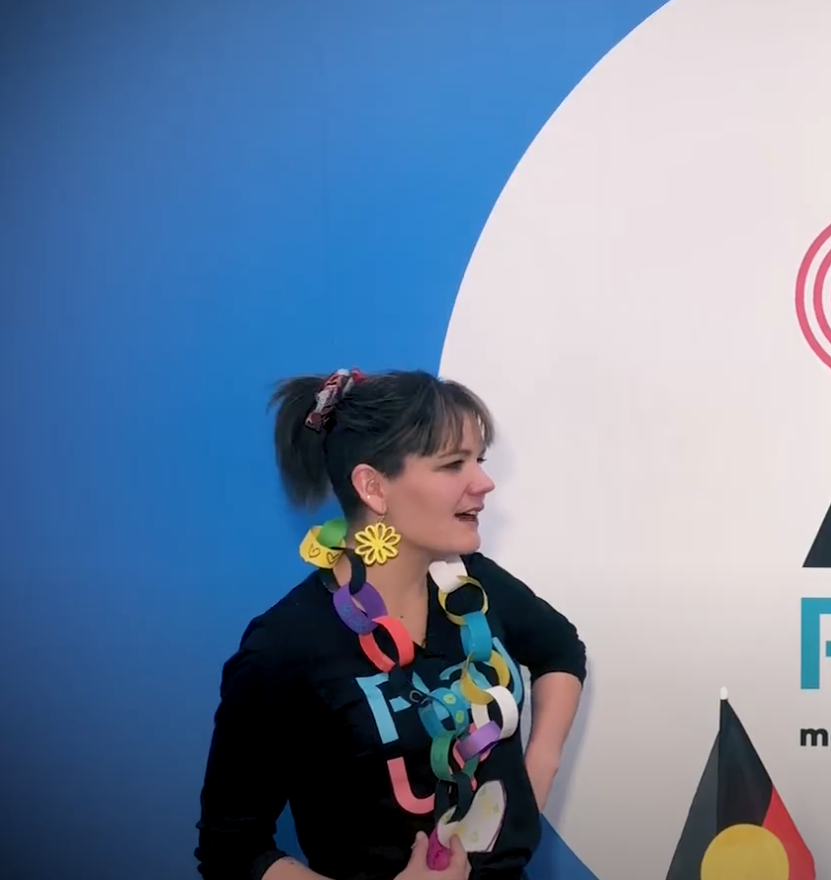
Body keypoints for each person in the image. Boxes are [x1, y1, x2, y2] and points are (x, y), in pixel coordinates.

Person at [195, 369, 588, 880]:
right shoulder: (284, 648)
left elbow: (561, 649)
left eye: (479, 460)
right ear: (373, 487)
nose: (485, 483)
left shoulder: (472, 584)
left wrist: (539, 770)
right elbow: (233, 850)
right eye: (453, 464)